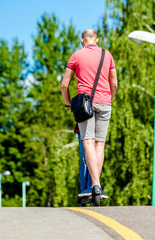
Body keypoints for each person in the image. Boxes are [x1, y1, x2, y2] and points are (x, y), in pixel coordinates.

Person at [61, 29, 118, 199]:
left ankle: (95, 186)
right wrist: (108, 99)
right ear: (97, 39)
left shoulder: (77, 55)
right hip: (105, 103)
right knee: (100, 144)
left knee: (88, 143)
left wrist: (68, 103)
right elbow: (114, 84)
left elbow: (64, 85)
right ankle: (97, 185)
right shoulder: (107, 55)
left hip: (86, 104)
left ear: (82, 40)